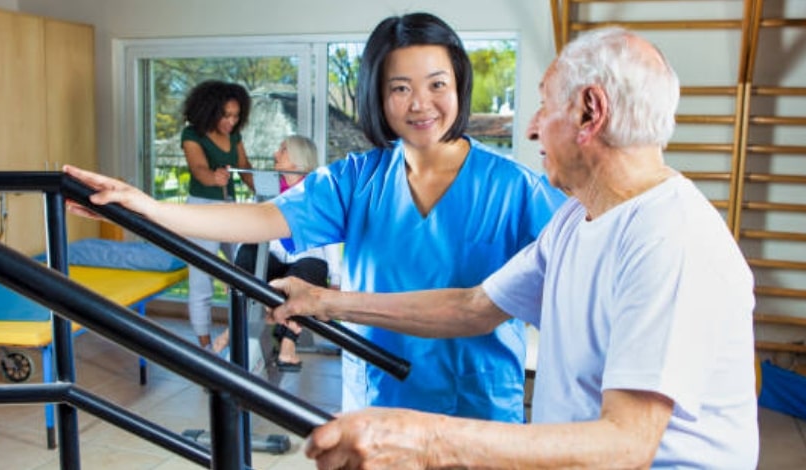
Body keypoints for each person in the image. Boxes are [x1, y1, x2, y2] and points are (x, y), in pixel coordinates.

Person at [268, 27, 759, 469]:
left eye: (546, 106)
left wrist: (426, 441)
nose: (530, 127)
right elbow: (472, 306)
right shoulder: (577, 217)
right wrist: (326, 302)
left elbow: (625, 446)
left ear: (590, 112)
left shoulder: (670, 239)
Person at [64, 12, 565, 422]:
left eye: (437, 84)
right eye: (399, 88)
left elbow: (573, 277)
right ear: (378, 94)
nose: (420, 104)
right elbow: (263, 218)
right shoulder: (356, 179)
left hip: (474, 406)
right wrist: (148, 208)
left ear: (459, 85)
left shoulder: (515, 187)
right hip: (379, 398)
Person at [211, 135, 342, 372]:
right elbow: (251, 228)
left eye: (283, 150)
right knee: (249, 253)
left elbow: (331, 238)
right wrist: (236, 271)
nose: (275, 154)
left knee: (305, 273)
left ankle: (288, 343)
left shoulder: (318, 192)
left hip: (307, 259)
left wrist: (335, 279)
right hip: (273, 257)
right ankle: (235, 329)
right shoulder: (269, 189)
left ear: (297, 160)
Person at [180, 80, 255, 349]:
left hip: (229, 209)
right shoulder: (192, 135)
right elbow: (198, 168)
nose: (231, 122)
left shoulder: (234, 137)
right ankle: (204, 348)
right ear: (210, 111)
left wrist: (270, 191)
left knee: (248, 270)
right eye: (226, 115)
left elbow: (244, 167)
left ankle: (239, 335)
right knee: (202, 281)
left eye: (236, 116)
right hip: (201, 209)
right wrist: (214, 177)